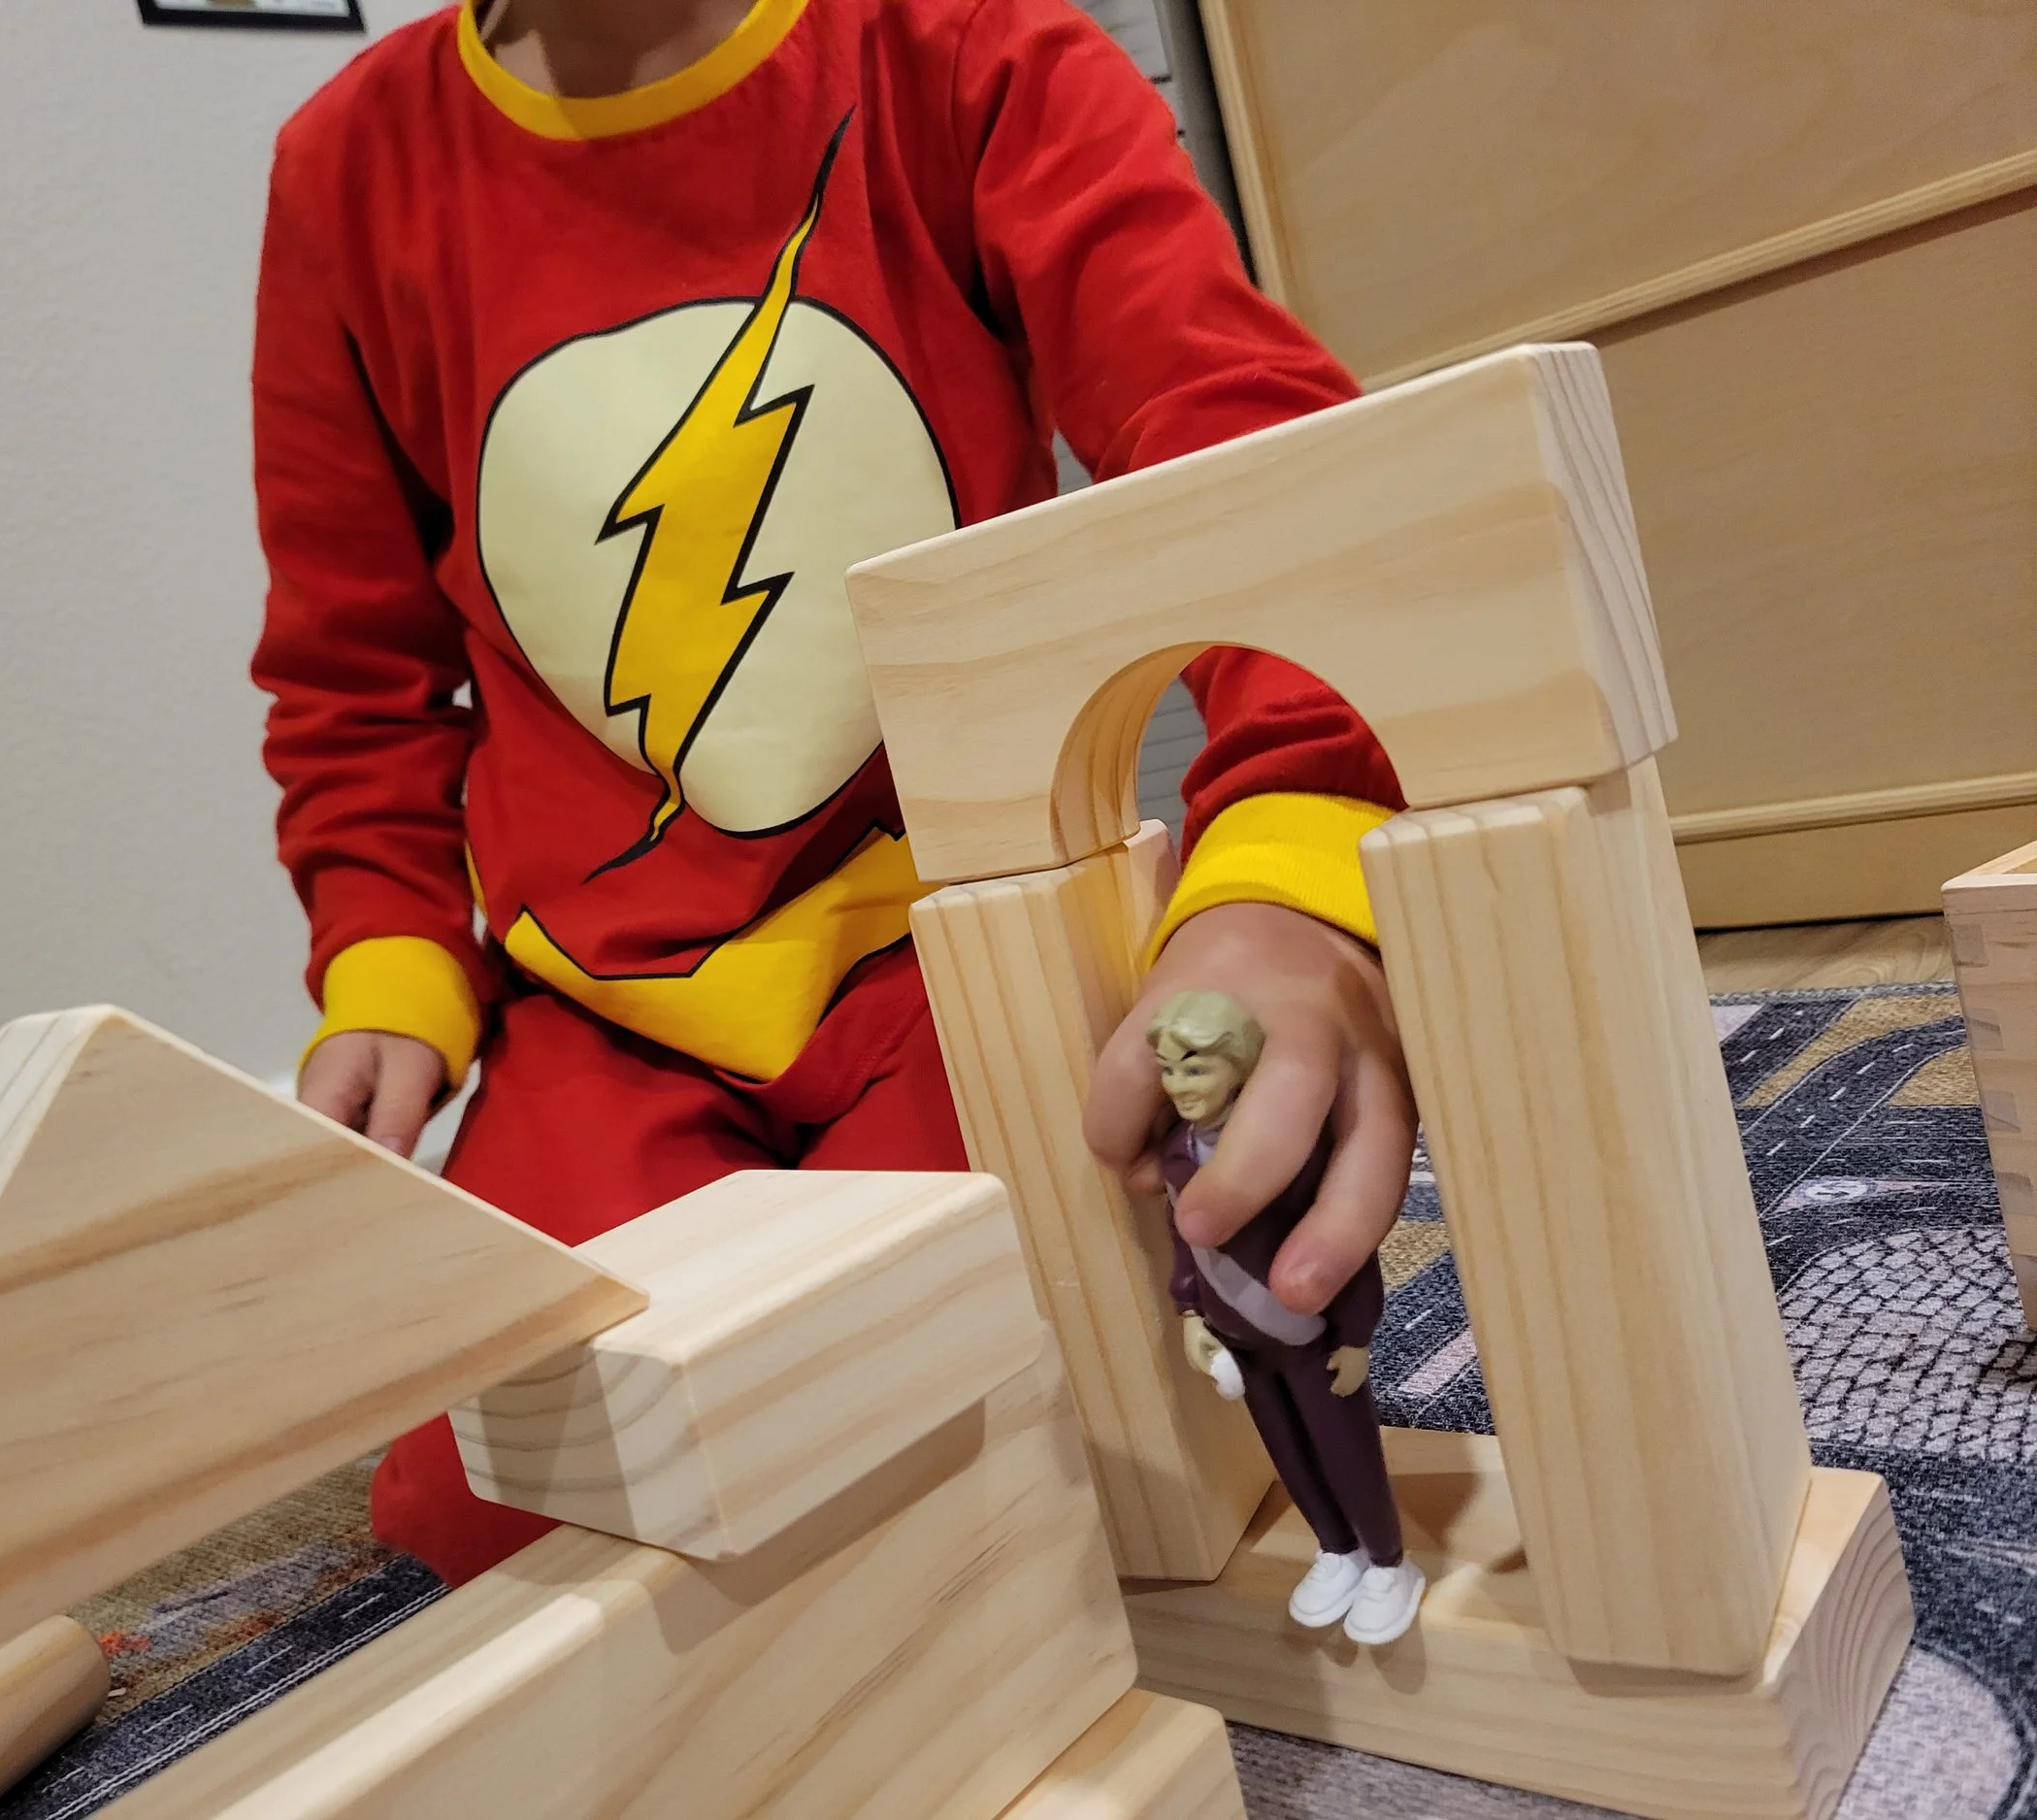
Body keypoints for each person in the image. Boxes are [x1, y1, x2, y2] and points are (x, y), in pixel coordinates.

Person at [251, 0, 1416, 1585]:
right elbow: (353, 669)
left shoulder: (970, 51)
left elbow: (1228, 446)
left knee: (1028, 1425)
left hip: (951, 959)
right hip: (597, 1013)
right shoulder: (346, 169)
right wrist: (387, 960)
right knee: (508, 1508)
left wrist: (1295, 856)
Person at [1147, 989, 1425, 1644]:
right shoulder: (1177, 1153)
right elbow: (1185, 1237)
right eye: (1168, 1067)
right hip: (1241, 1342)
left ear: (1239, 1066)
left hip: (1311, 1335)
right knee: (1288, 1452)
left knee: (1345, 1450)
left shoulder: (1287, 1145)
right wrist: (1190, 1309)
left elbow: (1342, 1233)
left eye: (1196, 1066)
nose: (1179, 1084)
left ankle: (1389, 1561)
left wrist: (1356, 1332)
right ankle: (1336, 1547)